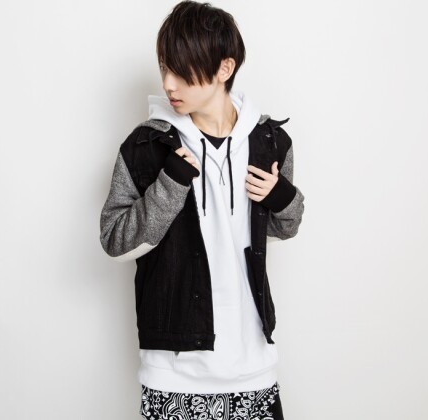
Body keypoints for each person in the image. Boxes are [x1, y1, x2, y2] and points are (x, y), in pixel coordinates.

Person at [99, 1, 305, 418]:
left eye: (181, 70)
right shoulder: (146, 146)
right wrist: (170, 184)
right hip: (173, 374)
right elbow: (115, 242)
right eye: (164, 68)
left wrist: (282, 197)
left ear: (225, 68)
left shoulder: (270, 142)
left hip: (253, 367)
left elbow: (283, 228)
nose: (168, 83)